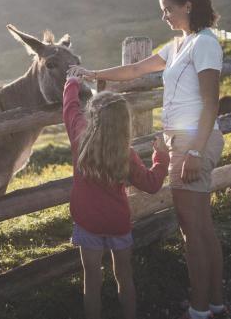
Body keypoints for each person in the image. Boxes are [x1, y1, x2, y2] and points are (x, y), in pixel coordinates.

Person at [68, 0, 227, 319]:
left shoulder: (205, 44)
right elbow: (137, 68)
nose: (165, 16)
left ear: (188, 6)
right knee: (201, 226)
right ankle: (214, 302)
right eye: (162, 10)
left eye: (169, 9)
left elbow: (210, 102)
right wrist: (92, 73)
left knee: (191, 228)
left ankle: (199, 310)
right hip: (184, 140)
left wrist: (196, 151)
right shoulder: (177, 46)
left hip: (193, 140)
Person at [63, 75, 169, 319]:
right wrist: (161, 158)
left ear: (93, 116)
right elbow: (152, 185)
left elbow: (69, 108)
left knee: (91, 281)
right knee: (124, 275)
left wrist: (72, 82)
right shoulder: (126, 154)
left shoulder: (80, 136)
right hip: (117, 224)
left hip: (87, 222)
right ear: (124, 124)